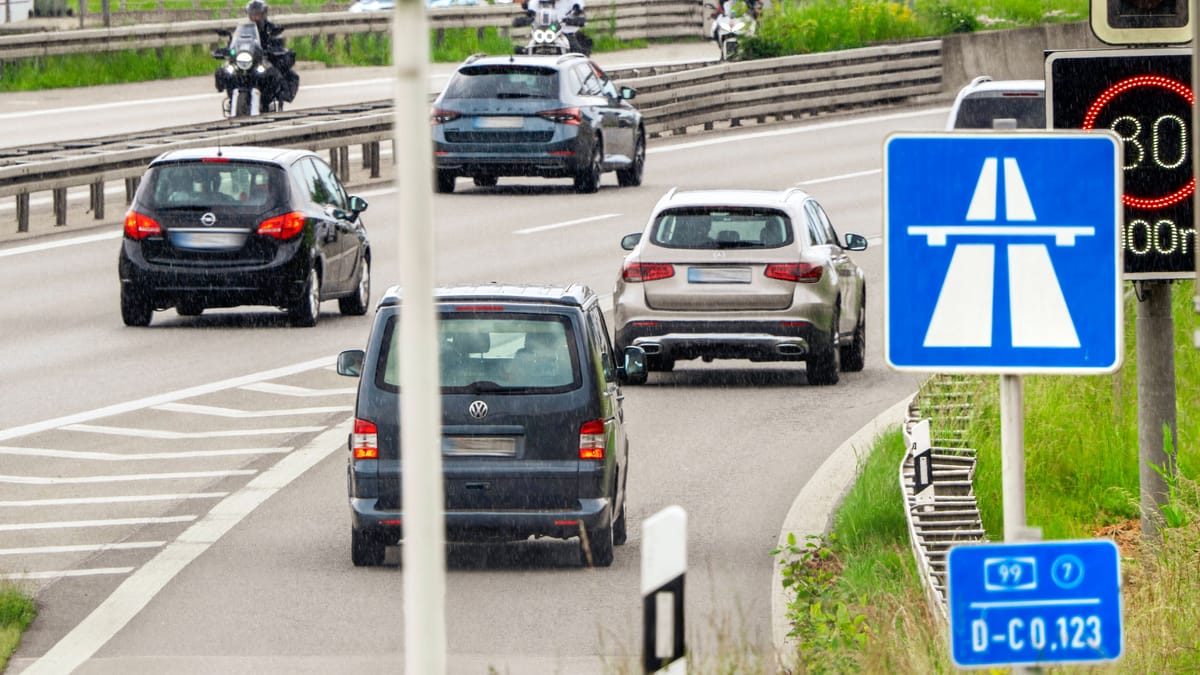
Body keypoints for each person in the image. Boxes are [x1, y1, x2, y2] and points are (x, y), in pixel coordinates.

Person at [245, 0, 299, 105]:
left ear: (264, 14)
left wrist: (273, 50)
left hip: (266, 60)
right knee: (227, 72)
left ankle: (273, 95)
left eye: (258, 15)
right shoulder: (245, 29)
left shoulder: (271, 28)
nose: (255, 18)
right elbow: (237, 43)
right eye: (252, 15)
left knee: (277, 74)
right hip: (248, 62)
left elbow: (278, 44)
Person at [520, 0, 591, 55]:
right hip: (544, 31)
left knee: (577, 52)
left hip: (564, 31)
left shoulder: (572, 2)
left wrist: (573, 18)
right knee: (528, 47)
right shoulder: (537, 2)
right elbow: (532, 12)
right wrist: (527, 18)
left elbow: (579, 12)